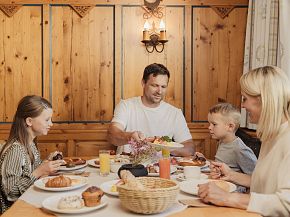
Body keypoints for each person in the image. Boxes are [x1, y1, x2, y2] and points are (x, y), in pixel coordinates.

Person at [198, 66, 290, 216]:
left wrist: (228, 198)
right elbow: (263, 184)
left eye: (245, 99)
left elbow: (286, 204)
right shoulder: (271, 136)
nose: (242, 105)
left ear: (263, 100)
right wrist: (230, 175)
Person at [107, 63, 195, 156]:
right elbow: (112, 135)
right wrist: (130, 136)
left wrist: (163, 146)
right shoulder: (126, 106)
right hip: (128, 166)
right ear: (143, 83)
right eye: (154, 85)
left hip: (161, 168)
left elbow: (190, 149)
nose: (159, 91)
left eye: (163, 87)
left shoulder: (175, 113)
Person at [0, 95, 64, 213]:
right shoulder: (16, 150)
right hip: (15, 211)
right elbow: (10, 193)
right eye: (47, 120)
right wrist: (40, 171)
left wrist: (47, 163)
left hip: (29, 203)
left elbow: (29, 172)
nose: (51, 124)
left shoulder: (31, 144)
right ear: (29, 121)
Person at [208, 103, 257, 175]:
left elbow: (256, 177)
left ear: (230, 127)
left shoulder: (239, 149)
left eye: (214, 124)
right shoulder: (221, 142)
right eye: (209, 124)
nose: (209, 127)